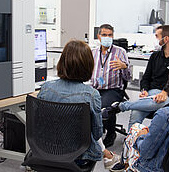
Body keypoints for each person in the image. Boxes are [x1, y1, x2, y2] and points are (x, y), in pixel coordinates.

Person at [37, 40, 120, 169]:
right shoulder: (91, 95)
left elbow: (40, 125)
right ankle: (108, 155)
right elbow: (97, 133)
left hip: (46, 151)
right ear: (88, 65)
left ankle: (107, 154)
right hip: (78, 157)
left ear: (62, 61)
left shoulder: (46, 88)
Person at [104, 25, 169, 130]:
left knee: (159, 101)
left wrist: (165, 92)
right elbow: (146, 78)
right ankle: (130, 142)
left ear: (166, 39)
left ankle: (122, 106)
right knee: (136, 113)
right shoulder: (155, 56)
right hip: (152, 93)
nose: (156, 39)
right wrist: (144, 90)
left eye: (157, 36)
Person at [91, 24, 132, 148]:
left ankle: (111, 133)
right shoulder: (92, 52)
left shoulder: (120, 52)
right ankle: (93, 133)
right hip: (95, 88)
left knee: (104, 107)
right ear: (99, 36)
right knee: (85, 104)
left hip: (113, 89)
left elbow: (128, 77)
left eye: (110, 35)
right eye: (104, 35)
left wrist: (124, 67)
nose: (107, 37)